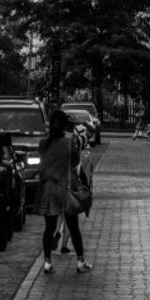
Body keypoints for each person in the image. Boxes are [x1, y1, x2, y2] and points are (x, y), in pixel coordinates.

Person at [35, 109, 92, 274]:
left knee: (49, 227)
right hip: (64, 187)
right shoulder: (68, 142)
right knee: (73, 226)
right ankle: (80, 261)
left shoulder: (43, 142)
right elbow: (75, 161)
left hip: (47, 187)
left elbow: (42, 163)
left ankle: (47, 262)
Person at [59, 125, 94, 254]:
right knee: (70, 217)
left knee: (60, 215)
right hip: (71, 188)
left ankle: (56, 233)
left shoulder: (56, 143)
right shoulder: (75, 144)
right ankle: (64, 244)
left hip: (57, 185)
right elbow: (80, 173)